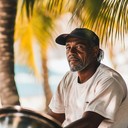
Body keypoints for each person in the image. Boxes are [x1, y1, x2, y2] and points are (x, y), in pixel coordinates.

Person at [48, 28, 128, 128]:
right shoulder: (68, 78)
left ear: (95, 51)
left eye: (79, 47)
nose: (71, 52)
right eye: (68, 47)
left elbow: (89, 123)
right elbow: (55, 117)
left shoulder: (109, 80)